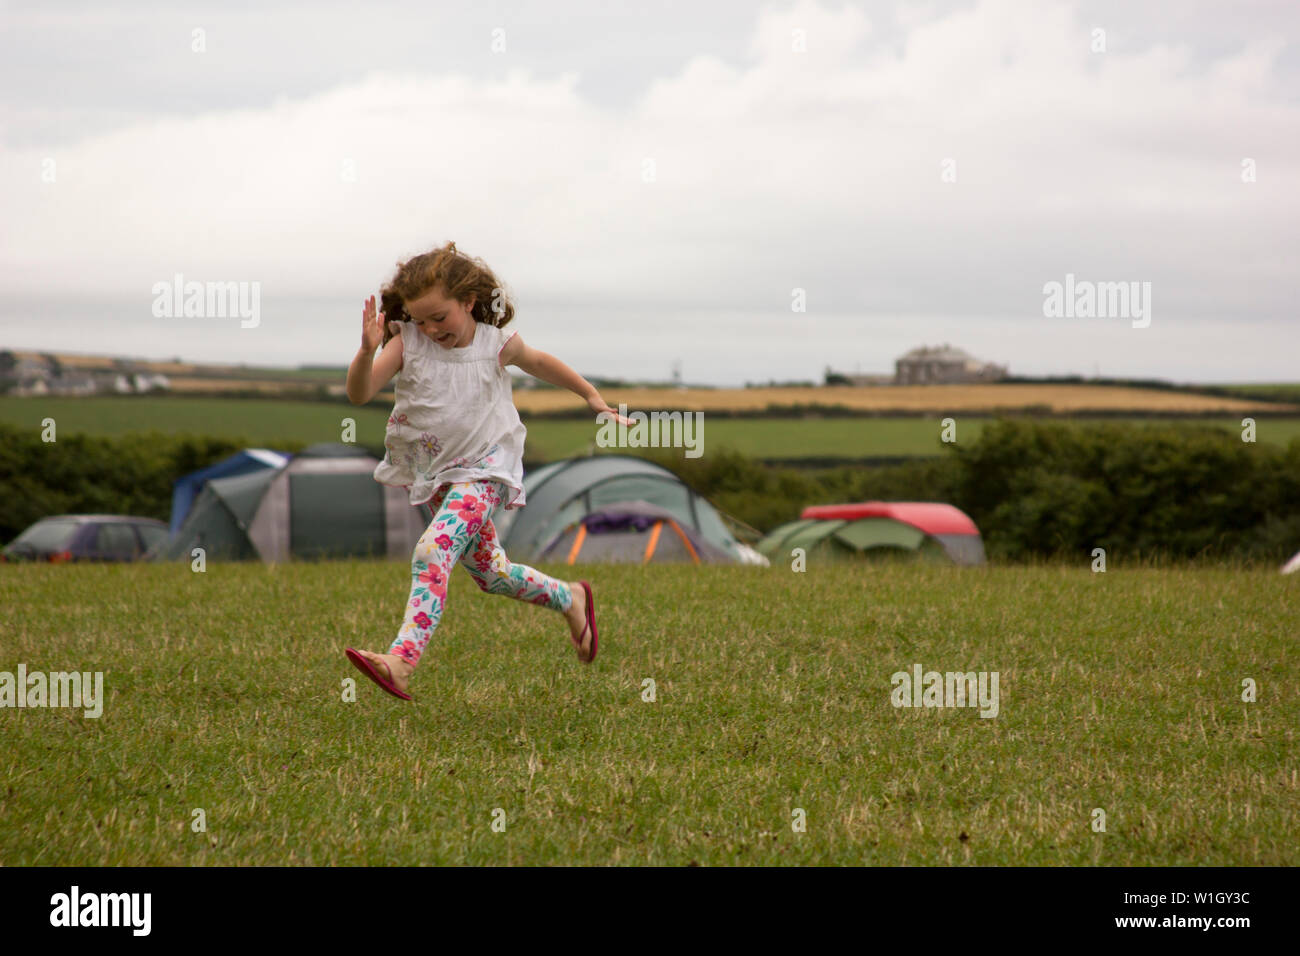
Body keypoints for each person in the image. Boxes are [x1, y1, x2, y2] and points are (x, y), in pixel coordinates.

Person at [342, 241, 632, 700]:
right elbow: (360, 394)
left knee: (433, 550)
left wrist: (591, 396)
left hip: (487, 470)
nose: (431, 328)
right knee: (492, 574)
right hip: (439, 474)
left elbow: (541, 363)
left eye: (441, 317)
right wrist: (365, 352)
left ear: (469, 302)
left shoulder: (496, 344)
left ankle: (401, 660)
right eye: (420, 320)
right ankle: (571, 597)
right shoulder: (405, 342)